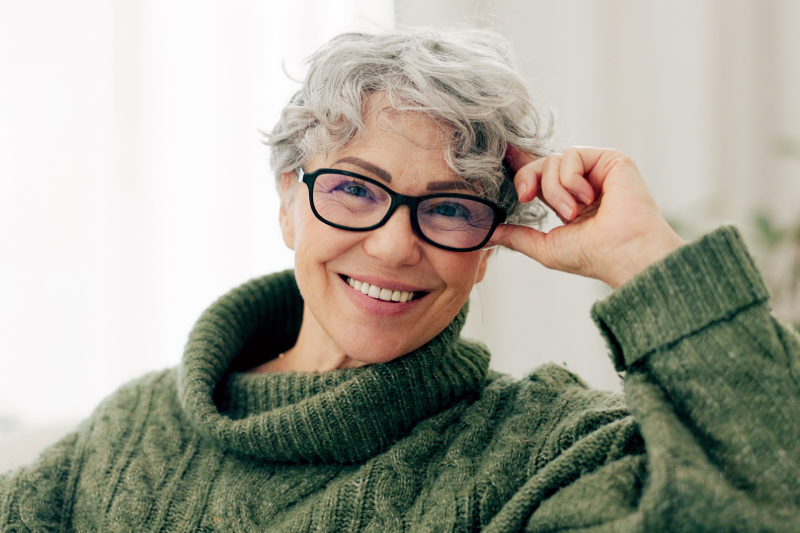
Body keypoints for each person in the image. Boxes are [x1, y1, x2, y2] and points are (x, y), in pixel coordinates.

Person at [2, 27, 799, 532]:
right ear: (290, 202)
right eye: (354, 188)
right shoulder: (132, 432)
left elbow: (765, 496)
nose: (391, 248)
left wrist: (643, 258)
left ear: (491, 243)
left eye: (449, 207)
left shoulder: (545, 452)